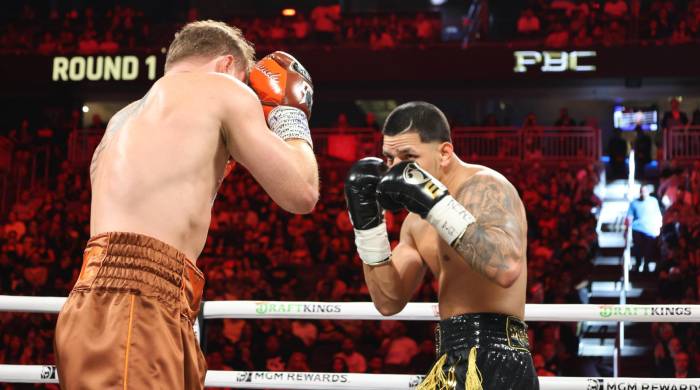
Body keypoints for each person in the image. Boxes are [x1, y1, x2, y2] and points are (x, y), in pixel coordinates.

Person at [54, 20, 319, 390]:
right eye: (244, 82)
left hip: (104, 301)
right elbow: (302, 192)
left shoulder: (122, 120)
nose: (245, 94)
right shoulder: (223, 90)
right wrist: (291, 118)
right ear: (227, 65)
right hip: (137, 307)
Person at [345, 102, 538, 389]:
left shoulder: (485, 186)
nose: (396, 170)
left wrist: (434, 202)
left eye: (408, 157)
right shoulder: (414, 221)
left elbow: (506, 268)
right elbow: (388, 300)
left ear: (445, 152)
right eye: (388, 159)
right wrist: (368, 226)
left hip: (498, 355)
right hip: (450, 356)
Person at [626, 185, 662, 272]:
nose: (643, 193)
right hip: (637, 229)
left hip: (650, 230)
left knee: (648, 249)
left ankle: (646, 264)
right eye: (642, 191)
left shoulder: (653, 201)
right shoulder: (634, 203)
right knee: (638, 248)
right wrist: (627, 228)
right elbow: (629, 216)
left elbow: (657, 214)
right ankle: (638, 264)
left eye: (645, 191)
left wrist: (659, 226)